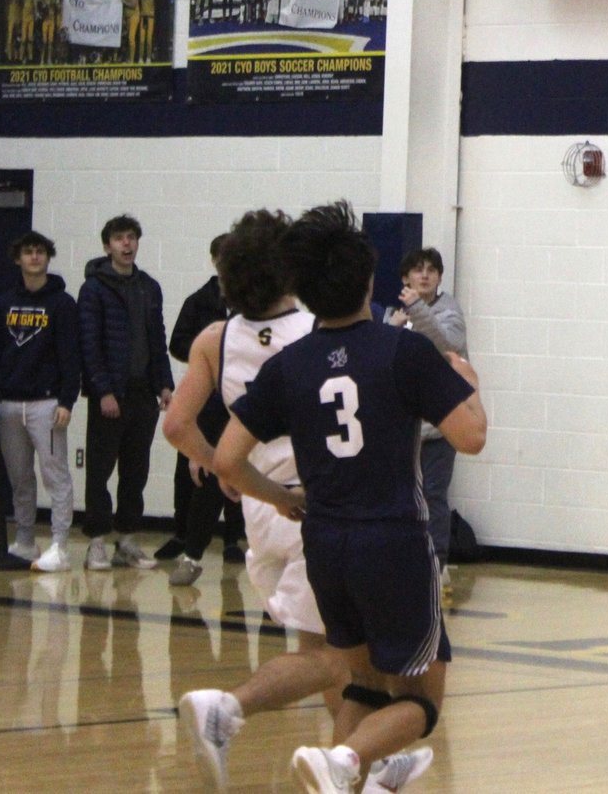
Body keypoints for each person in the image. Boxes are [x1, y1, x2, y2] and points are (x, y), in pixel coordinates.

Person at [215, 201, 485, 794]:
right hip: (394, 542)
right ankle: (343, 761)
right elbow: (471, 437)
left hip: (326, 546)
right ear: (370, 277)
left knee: (363, 683)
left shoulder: (290, 364)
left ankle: (343, 770)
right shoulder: (402, 351)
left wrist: (282, 497)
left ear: (305, 288)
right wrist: (469, 385)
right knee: (423, 704)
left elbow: (226, 460)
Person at [167, 210, 433, 794]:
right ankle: (232, 711)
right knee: (336, 660)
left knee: (347, 659)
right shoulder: (321, 331)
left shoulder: (216, 337)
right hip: (320, 500)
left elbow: (177, 424)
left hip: (262, 504)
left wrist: (221, 467)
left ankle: (358, 767)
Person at [78, 213, 175, 571]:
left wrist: (164, 383)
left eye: (132, 237)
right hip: (109, 393)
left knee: (136, 470)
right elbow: (89, 344)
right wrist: (102, 391)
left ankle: (128, 541)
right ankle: (96, 543)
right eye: (120, 238)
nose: (127, 244)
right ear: (107, 246)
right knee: (100, 470)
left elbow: (157, 341)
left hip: (142, 393)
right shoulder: (93, 289)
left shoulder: (149, 287)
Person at [0, 230, 80, 573]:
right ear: (18, 258)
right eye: (28, 252)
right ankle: (26, 540)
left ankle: (60, 545)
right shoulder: (3, 302)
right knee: (20, 477)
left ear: (47, 257)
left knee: (54, 474)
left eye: (40, 252)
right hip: (10, 403)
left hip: (47, 404)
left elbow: (71, 357)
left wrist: (67, 401)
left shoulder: (62, 303)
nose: (34, 257)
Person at [384, 247, 467, 596]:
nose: (425, 276)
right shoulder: (392, 314)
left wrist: (416, 311)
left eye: (432, 270)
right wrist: (391, 329)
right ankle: (403, 562)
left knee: (434, 494)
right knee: (402, 497)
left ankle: (438, 563)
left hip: (442, 424)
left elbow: (447, 344)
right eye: (418, 270)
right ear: (405, 278)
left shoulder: (449, 311)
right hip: (405, 425)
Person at [159, 233, 245, 568]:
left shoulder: (250, 303)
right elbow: (177, 343)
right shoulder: (199, 300)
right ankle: (184, 537)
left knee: (236, 464)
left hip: (237, 397)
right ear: (214, 260)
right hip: (205, 395)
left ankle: (232, 538)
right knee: (192, 468)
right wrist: (207, 353)